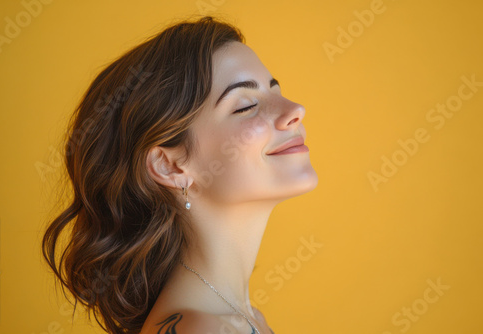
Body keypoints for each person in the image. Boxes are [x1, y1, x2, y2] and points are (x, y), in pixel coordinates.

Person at [41, 15, 318, 334]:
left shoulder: (245, 320)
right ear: (170, 166)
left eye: (276, 91)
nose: (295, 109)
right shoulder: (199, 329)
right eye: (245, 106)